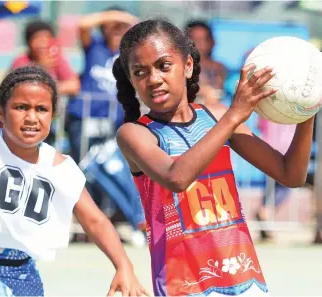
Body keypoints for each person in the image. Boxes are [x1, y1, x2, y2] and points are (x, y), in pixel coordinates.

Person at [112, 19, 314, 296]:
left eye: (164, 65)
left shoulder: (216, 117)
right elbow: (176, 177)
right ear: (132, 80)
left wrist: (307, 110)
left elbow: (291, 174)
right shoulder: (135, 134)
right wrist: (233, 115)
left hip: (244, 278)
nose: (154, 78)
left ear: (188, 66)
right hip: (183, 284)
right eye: (140, 72)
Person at [0, 66, 149, 297]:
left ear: (53, 114)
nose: (31, 118)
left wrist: (124, 265)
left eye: (41, 109)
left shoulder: (61, 169)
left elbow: (96, 221)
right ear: (1, 111)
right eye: (21, 107)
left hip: (20, 276)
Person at [66, 7, 138, 162]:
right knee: (83, 162)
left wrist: (126, 19)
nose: (117, 30)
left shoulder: (131, 53)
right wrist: (113, 16)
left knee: (109, 165)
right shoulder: (94, 46)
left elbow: (143, 29)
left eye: (121, 26)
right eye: (112, 26)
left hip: (115, 120)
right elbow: (83, 24)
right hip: (83, 117)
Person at [0, 20, 80, 134]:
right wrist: (41, 66)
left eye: (47, 38)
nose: (43, 42)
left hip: (37, 123)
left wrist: (48, 90)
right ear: (29, 42)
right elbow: (21, 88)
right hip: (11, 125)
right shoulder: (21, 61)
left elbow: (74, 85)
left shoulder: (56, 60)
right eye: (38, 38)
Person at [255, 118, 296, 241]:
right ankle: (265, 213)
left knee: (270, 188)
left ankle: (264, 215)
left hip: (268, 148)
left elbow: (259, 125)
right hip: (286, 149)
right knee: (286, 187)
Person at [185, 20, 226, 105]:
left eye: (203, 39)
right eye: (194, 39)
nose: (199, 44)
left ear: (212, 42)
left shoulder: (220, 69)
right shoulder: (182, 68)